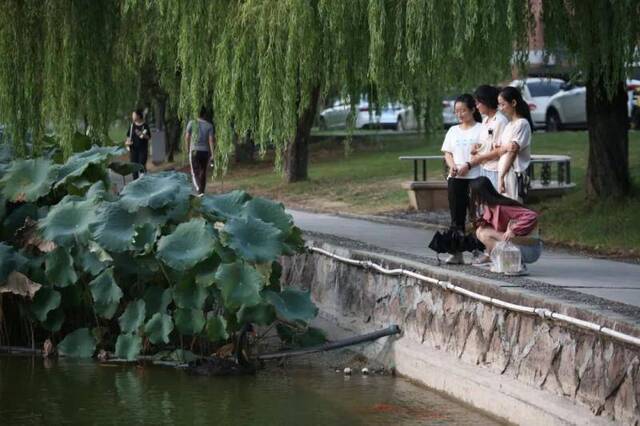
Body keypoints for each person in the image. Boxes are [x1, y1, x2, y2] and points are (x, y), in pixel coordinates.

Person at [440, 94, 483, 264]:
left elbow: (484, 153)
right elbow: (447, 152)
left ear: (472, 109)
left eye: (463, 110)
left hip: (476, 176)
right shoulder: (453, 130)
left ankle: (479, 251)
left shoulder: (481, 129)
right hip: (456, 177)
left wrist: (469, 165)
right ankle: (456, 252)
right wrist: (452, 166)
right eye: (457, 111)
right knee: (456, 216)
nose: (460, 114)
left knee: (477, 215)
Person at [470, 176, 542, 273]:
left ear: (480, 195)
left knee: (484, 233)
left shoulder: (502, 207)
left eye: (472, 193)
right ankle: (504, 261)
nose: (470, 195)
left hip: (529, 249)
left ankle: (514, 264)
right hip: (518, 245)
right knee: (481, 231)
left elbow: (532, 215)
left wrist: (513, 229)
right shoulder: (489, 207)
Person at [496, 86, 533, 201]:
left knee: (513, 208)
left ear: (513, 102)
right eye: (499, 105)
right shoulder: (509, 125)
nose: (501, 108)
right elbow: (502, 149)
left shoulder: (522, 124)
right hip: (505, 171)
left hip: (512, 173)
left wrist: (502, 175)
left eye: (503, 104)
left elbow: (513, 152)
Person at [469, 85, 508, 190]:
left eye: (478, 103)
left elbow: (500, 150)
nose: (477, 107)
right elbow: (484, 142)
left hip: (495, 170)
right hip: (484, 168)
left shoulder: (500, 121)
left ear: (486, 101)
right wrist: (476, 147)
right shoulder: (485, 120)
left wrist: (480, 157)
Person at [185, 107, 216, 195]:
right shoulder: (209, 125)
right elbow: (211, 140)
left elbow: (187, 137)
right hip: (205, 152)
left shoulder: (191, 123)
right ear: (204, 114)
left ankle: (199, 189)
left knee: (195, 172)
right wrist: (212, 154)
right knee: (203, 171)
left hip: (194, 151)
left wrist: (188, 149)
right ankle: (202, 191)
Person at [125, 109, 151, 180]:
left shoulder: (145, 126)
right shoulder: (131, 126)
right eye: (132, 115)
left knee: (141, 166)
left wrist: (141, 134)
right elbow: (128, 137)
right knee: (134, 168)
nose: (132, 116)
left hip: (142, 150)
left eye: (134, 115)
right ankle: (135, 183)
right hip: (133, 150)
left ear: (139, 116)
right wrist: (127, 143)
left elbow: (148, 137)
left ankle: (143, 182)